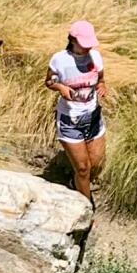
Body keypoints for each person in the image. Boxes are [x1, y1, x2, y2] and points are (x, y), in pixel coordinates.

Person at [47, 19, 107, 200]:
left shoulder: (95, 57)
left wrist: (102, 85)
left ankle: (77, 184)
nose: (88, 48)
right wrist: (61, 88)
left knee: (95, 165)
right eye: (84, 44)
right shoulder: (59, 59)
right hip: (70, 121)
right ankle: (85, 207)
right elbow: (49, 81)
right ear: (72, 40)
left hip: (93, 117)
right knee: (83, 169)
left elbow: (101, 78)